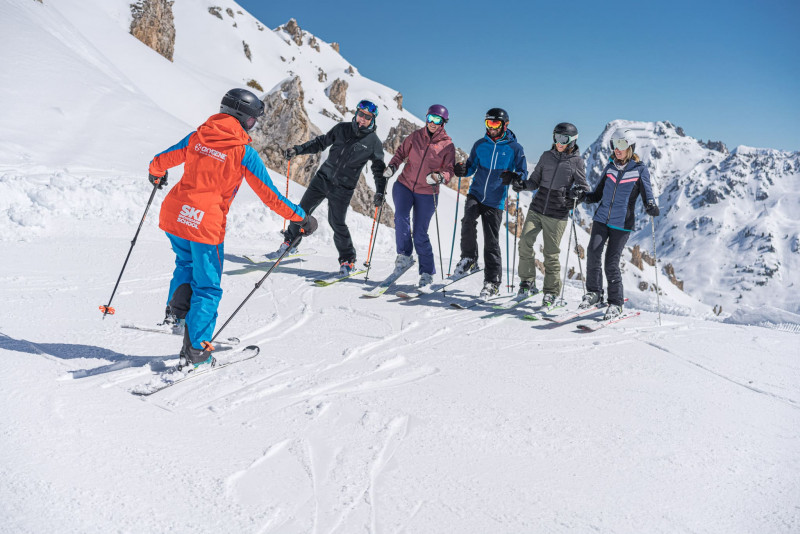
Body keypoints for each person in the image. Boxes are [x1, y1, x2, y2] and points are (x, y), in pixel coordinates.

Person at [148, 88, 316, 370]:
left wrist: (156, 174)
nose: (252, 125)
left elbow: (160, 161)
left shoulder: (198, 136)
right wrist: (300, 217)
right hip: (205, 224)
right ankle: (196, 353)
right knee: (207, 287)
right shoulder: (242, 152)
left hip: (175, 214)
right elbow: (270, 196)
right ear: (244, 118)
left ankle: (176, 316)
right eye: (252, 120)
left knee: (185, 262)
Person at [272, 99, 386, 275]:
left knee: (337, 222)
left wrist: (380, 191)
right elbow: (321, 142)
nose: (362, 119)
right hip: (323, 179)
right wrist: (298, 150)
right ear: (356, 113)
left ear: (373, 120)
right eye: (361, 114)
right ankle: (290, 243)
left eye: (367, 117)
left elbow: (378, 169)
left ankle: (348, 260)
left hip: (343, 188)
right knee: (301, 212)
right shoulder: (342, 129)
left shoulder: (373, 142)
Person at [580, 127, 660, 319]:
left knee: (611, 263)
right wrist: (583, 196)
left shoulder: (640, 170)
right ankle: (594, 293)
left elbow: (647, 195)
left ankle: (615, 303)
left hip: (621, 223)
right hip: (601, 219)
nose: (618, 149)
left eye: (622, 145)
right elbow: (597, 194)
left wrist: (651, 205)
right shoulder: (610, 167)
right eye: (615, 144)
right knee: (592, 253)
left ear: (630, 147)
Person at [452, 108, 527, 299]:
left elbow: (522, 172)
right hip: (476, 193)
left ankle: (492, 282)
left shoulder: (514, 148)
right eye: (488, 123)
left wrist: (515, 178)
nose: (491, 128)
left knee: (491, 241)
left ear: (504, 125)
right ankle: (469, 258)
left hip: (496, 199)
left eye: (495, 124)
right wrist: (462, 170)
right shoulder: (480, 145)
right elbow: (471, 167)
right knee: (467, 220)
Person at [511, 122, 588, 307]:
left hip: (557, 214)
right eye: (556, 137)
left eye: (564, 138)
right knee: (524, 243)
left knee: (551, 254)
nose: (559, 142)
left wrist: (575, 195)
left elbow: (584, 188)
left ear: (572, 140)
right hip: (537, 208)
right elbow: (534, 181)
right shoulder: (546, 156)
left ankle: (551, 293)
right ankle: (527, 282)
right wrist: (522, 185)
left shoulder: (576, 161)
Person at [382, 104, 455, 288]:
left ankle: (427, 273)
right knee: (400, 218)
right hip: (404, 185)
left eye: (437, 120)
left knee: (420, 233)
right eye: (430, 118)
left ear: (443, 123)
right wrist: (392, 166)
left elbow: (449, 170)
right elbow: (400, 154)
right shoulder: (415, 136)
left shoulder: (447, 145)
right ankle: (405, 256)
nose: (432, 122)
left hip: (427, 192)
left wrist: (439, 177)